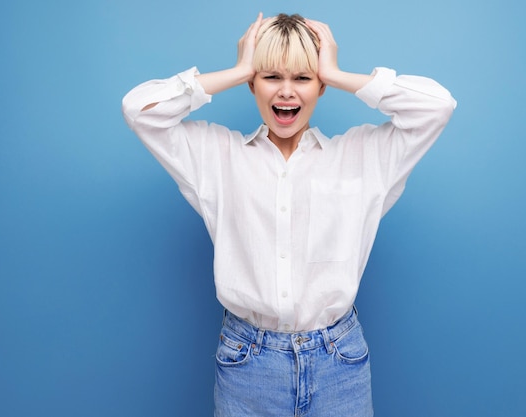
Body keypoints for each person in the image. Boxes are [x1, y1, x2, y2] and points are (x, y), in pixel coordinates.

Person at [122, 12, 456, 417]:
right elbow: (139, 109)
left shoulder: (363, 157)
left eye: (302, 78)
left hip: (340, 364)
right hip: (247, 365)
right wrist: (239, 67)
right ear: (252, 84)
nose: (286, 92)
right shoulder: (217, 157)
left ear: (321, 87)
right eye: (270, 77)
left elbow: (437, 106)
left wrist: (337, 71)